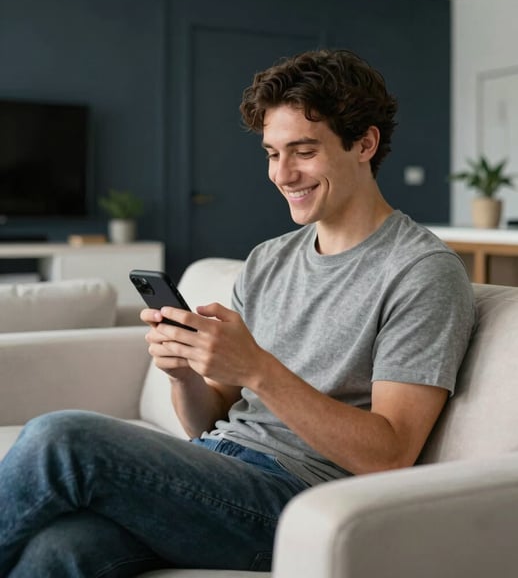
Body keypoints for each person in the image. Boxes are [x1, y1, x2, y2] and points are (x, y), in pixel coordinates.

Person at [0, 49, 475, 577]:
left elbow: (388, 454)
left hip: (300, 501)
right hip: (218, 471)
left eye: (303, 151)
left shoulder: (422, 271)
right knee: (62, 549)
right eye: (272, 153)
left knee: (61, 439)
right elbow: (209, 420)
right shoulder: (269, 259)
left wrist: (257, 368)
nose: (283, 173)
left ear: (364, 143)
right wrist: (183, 372)